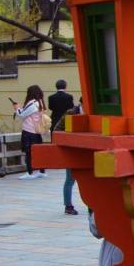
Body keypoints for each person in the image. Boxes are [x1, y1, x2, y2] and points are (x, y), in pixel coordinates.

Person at [48, 80, 77, 214]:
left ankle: (68, 204)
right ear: (65, 87)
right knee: (70, 178)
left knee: (69, 178)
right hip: (68, 132)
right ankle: (69, 205)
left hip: (56, 124)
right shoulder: (70, 100)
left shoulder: (51, 98)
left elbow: (51, 108)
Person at [14, 85, 49, 181]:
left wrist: (16, 108)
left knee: (28, 152)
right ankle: (42, 171)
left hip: (29, 130)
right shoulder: (40, 102)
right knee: (38, 152)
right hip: (37, 131)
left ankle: (29, 172)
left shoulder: (32, 103)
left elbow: (22, 114)